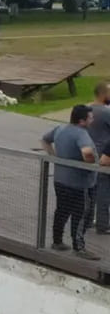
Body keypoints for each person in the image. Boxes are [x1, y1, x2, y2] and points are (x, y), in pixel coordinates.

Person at [42, 105, 99, 259]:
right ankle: (79, 247)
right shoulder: (81, 134)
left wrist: (54, 158)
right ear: (82, 121)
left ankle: (57, 241)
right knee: (81, 214)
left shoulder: (60, 129)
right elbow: (87, 153)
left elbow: (45, 139)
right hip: (80, 183)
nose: (92, 119)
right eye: (90, 117)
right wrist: (92, 166)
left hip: (61, 179)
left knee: (62, 210)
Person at [89, 81, 110, 234]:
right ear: (103, 94)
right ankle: (103, 224)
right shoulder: (107, 113)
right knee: (103, 191)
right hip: (104, 157)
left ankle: (88, 220)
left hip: (88, 156)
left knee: (90, 189)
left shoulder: (85, 110)